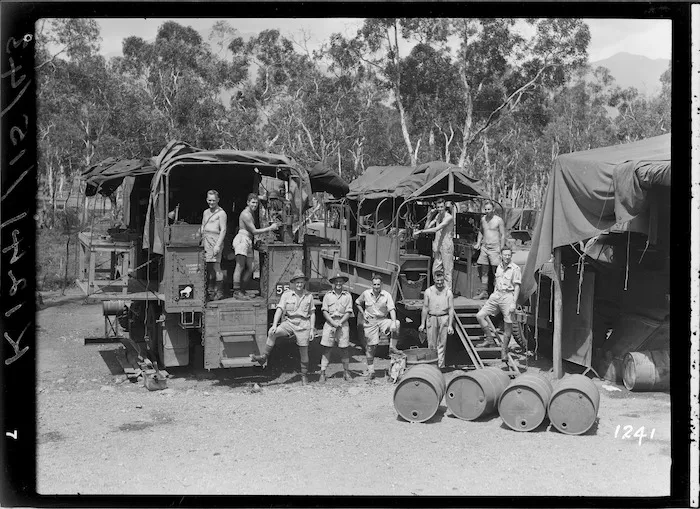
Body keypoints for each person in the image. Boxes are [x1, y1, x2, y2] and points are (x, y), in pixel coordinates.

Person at [250, 269, 315, 385]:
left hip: (303, 324)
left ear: (304, 283)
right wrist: (274, 325)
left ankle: (304, 376)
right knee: (272, 333)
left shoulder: (309, 296)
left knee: (304, 351)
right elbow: (279, 309)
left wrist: (312, 329)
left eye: (301, 282)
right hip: (289, 323)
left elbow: (312, 313)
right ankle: (264, 356)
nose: (299, 285)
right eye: (297, 282)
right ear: (293, 283)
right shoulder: (287, 295)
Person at [475, 246, 521, 362]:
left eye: (509, 255)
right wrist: (494, 294)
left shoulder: (515, 269)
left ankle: (504, 350)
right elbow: (497, 281)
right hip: (497, 295)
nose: (507, 257)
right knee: (480, 315)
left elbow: (517, 287)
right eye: (505, 255)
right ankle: (490, 340)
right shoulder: (499, 267)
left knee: (508, 325)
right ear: (501, 255)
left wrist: (513, 303)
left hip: (508, 296)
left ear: (511, 256)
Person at [232, 192, 279, 299]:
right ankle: (236, 291)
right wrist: (270, 228)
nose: (254, 205)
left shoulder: (251, 212)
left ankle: (242, 290)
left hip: (248, 240)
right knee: (240, 266)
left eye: (256, 203)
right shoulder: (246, 214)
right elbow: (254, 231)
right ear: (248, 202)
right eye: (253, 203)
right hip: (242, 240)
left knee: (251, 268)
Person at [355, 274, 399, 381]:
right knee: (371, 347)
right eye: (374, 284)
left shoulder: (386, 295)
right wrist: (362, 313)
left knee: (397, 323)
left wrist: (393, 322)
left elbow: (392, 309)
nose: (376, 287)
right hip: (370, 321)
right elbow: (357, 302)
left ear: (381, 285)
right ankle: (371, 371)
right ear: (371, 285)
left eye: (378, 284)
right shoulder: (366, 293)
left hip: (382, 319)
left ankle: (392, 347)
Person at [319, 272, 354, 383]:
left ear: (343, 283)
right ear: (333, 283)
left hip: (343, 324)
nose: (338, 283)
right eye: (336, 282)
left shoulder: (347, 296)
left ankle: (346, 372)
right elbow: (324, 311)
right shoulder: (328, 296)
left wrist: (340, 323)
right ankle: (323, 373)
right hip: (330, 323)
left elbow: (349, 311)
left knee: (344, 349)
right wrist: (333, 323)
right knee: (327, 348)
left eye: (340, 281)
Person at [414, 197, 454, 292]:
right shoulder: (438, 216)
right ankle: (438, 289)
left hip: (446, 245)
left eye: (441, 207)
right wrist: (429, 217)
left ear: (445, 207)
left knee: (447, 270)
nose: (440, 209)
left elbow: (436, 229)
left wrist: (420, 231)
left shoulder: (449, 217)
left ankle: (448, 292)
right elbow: (428, 227)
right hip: (438, 245)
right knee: (436, 269)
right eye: (438, 207)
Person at [418, 269, 455, 370]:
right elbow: (425, 308)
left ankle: (440, 366)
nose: (439, 283)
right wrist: (422, 324)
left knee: (442, 343)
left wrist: (450, 325)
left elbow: (451, 309)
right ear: (434, 279)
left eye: (441, 281)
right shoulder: (428, 291)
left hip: (444, 317)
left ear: (444, 280)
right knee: (431, 343)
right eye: (437, 280)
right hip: (432, 317)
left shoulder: (448, 292)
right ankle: (432, 365)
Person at [474, 201, 505, 299]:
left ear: (493, 209)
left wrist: (501, 249)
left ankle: (497, 293)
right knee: (484, 271)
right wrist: (478, 243)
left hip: (495, 248)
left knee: (496, 271)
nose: (487, 211)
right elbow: (481, 231)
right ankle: (484, 292)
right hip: (485, 247)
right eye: (486, 209)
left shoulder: (498, 220)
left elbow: (503, 235)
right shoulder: (483, 219)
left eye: (489, 209)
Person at [200, 190, 227, 301]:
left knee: (216, 267)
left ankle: (219, 292)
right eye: (209, 200)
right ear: (207, 200)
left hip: (215, 241)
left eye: (214, 200)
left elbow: (223, 229)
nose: (211, 202)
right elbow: (203, 225)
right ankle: (210, 291)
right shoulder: (206, 212)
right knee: (208, 267)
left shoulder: (221, 213)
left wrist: (218, 245)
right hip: (205, 240)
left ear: (218, 200)